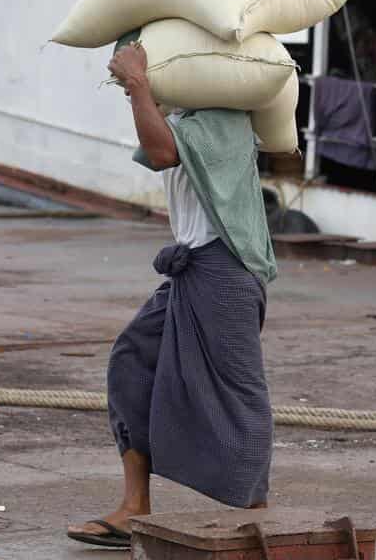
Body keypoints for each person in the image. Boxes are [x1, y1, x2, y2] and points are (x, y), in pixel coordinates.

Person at [67, 39, 277, 549]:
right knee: (133, 361)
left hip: (226, 271)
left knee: (236, 392)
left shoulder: (227, 116)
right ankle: (134, 504)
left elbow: (161, 153)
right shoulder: (188, 115)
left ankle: (259, 513)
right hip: (190, 269)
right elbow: (161, 139)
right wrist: (143, 94)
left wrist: (140, 83)